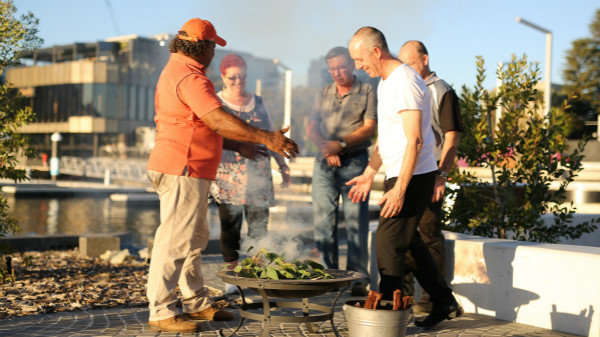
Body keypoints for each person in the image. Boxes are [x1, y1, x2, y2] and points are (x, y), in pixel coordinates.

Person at [145, 18, 298, 333]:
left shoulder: (179, 71)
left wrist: (239, 145)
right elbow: (216, 119)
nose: (214, 51)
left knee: (193, 239)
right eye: (213, 45)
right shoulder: (190, 77)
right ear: (203, 48)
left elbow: (200, 124)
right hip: (183, 168)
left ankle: (196, 302)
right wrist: (267, 138)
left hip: (189, 168)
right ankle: (161, 311)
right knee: (174, 241)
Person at [346, 26, 462, 328]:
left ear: (376, 51)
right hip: (399, 174)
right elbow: (388, 138)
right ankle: (443, 300)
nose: (358, 67)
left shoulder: (406, 81)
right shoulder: (386, 83)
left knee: (386, 242)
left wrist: (400, 190)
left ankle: (386, 317)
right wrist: (370, 172)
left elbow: (415, 141)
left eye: (360, 59)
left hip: (414, 176)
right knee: (409, 242)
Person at [210, 54, 291, 293]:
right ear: (223, 77)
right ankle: (232, 275)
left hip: (259, 173)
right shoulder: (216, 103)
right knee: (230, 226)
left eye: (242, 77)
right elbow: (211, 137)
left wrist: (282, 165)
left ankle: (256, 272)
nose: (238, 81)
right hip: (228, 174)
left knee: (258, 227)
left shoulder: (258, 101)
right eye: (232, 77)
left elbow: (270, 135)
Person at [398, 40, 463, 312]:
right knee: (401, 233)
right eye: (404, 65)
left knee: (428, 232)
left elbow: (452, 136)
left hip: (431, 169)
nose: (407, 70)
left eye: (411, 63)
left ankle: (432, 299)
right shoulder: (403, 88)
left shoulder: (442, 91)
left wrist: (442, 175)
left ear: (425, 60)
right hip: (405, 168)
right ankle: (401, 296)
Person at [306, 46, 377, 296]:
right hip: (325, 163)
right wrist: (327, 149)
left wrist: (342, 144)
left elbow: (369, 127)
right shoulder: (324, 92)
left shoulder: (367, 89)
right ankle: (328, 275)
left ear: (351, 64)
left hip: (355, 163)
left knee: (356, 222)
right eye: (332, 68)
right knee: (323, 221)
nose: (337, 72)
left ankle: (357, 278)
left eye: (341, 67)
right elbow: (311, 125)